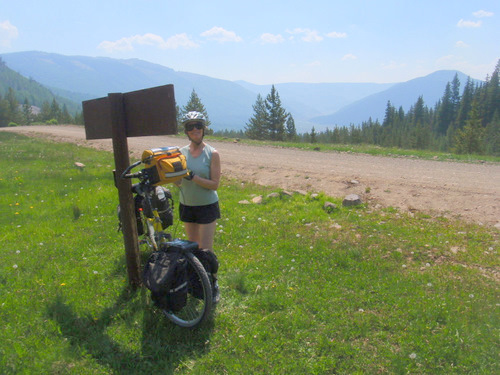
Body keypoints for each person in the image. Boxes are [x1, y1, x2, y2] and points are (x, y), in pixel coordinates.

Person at [177, 111, 221, 302]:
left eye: (198, 126)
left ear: (204, 129)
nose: (194, 129)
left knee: (205, 251)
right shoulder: (180, 153)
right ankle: (196, 284)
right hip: (187, 205)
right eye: (190, 127)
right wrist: (173, 176)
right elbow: (178, 183)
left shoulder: (212, 153)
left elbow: (215, 184)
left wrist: (193, 177)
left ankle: (212, 284)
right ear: (186, 131)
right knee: (192, 249)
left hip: (206, 206)